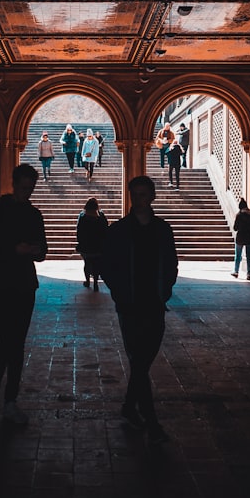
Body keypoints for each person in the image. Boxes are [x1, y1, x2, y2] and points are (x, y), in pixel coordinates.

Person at [101, 175, 178, 446]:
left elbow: (171, 263)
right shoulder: (119, 230)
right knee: (138, 360)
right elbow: (107, 265)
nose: (139, 199)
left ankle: (128, 406)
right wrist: (120, 293)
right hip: (130, 305)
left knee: (143, 360)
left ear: (152, 196)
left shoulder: (163, 230)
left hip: (155, 304)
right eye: (135, 194)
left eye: (144, 194)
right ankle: (152, 421)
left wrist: (165, 290)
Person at [0, 163, 47, 426]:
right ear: (14, 184)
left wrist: (32, 250)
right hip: (3, 285)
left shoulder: (34, 214)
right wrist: (13, 251)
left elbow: (43, 251)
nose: (27, 193)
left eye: (31, 189)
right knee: (9, 343)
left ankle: (4, 401)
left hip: (26, 285)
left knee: (16, 344)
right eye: (24, 187)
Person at [75, 197, 108, 290]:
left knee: (87, 263)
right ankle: (96, 283)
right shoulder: (100, 216)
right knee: (96, 264)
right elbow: (105, 230)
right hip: (98, 246)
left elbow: (79, 231)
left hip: (86, 246)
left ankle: (87, 281)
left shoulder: (82, 216)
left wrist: (80, 242)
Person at [232, 198, 250, 280]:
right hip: (249, 237)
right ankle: (249, 273)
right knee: (249, 256)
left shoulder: (239, 215)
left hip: (240, 237)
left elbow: (235, 228)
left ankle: (236, 271)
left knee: (238, 256)